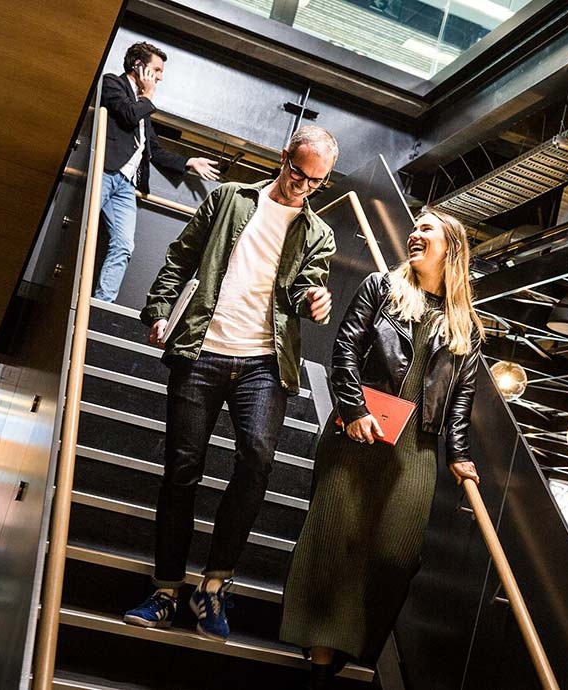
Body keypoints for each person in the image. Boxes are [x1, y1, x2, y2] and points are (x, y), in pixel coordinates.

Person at [123, 125, 339, 642]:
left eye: (316, 183)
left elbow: (301, 288)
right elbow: (181, 256)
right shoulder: (229, 199)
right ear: (284, 157)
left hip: (264, 363)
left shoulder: (319, 234)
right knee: (182, 469)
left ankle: (214, 585)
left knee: (258, 461)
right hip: (202, 351)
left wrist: (315, 300)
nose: (303, 187)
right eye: (297, 173)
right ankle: (167, 588)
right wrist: (158, 310)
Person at [280, 209, 485, 688]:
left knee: (396, 557)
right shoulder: (381, 288)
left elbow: (460, 402)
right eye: (412, 226)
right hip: (358, 434)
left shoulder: (466, 327)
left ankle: (354, 645)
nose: (414, 233)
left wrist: (458, 455)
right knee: (335, 544)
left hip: (416, 450)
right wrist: (352, 410)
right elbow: (345, 349)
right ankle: (320, 661)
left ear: (451, 247)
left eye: (426, 229)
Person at [94, 41, 220, 302]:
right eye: (157, 70)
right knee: (84, 229)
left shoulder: (144, 106)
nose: (160, 77)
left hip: (126, 185)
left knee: (124, 245)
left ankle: (100, 303)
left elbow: (153, 149)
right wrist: (148, 96)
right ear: (139, 66)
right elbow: (128, 115)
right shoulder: (113, 84)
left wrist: (189, 162)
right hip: (105, 173)